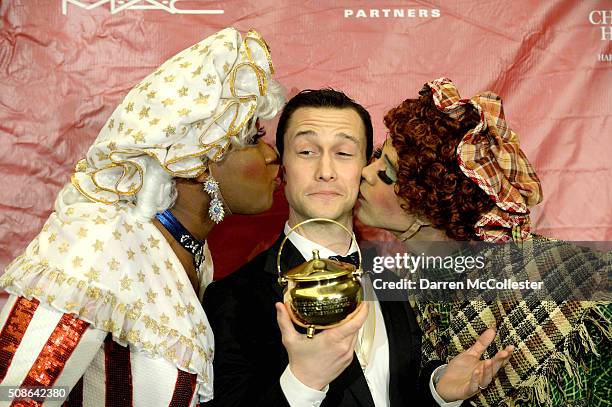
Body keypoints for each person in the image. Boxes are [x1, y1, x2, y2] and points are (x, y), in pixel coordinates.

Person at [0, 27, 285, 406]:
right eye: (254, 138)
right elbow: (18, 396)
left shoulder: (191, 252)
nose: (271, 155)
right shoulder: (100, 242)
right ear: (195, 160)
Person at [203, 88, 514, 407]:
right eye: (307, 151)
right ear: (282, 166)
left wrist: (438, 393)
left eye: (344, 153)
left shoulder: (395, 284)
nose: (325, 172)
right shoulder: (233, 298)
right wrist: (303, 382)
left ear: (365, 167)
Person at [356, 77, 611, 406]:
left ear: (426, 204)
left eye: (387, 173)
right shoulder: (397, 284)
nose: (365, 171)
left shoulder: (560, 276)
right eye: (377, 156)